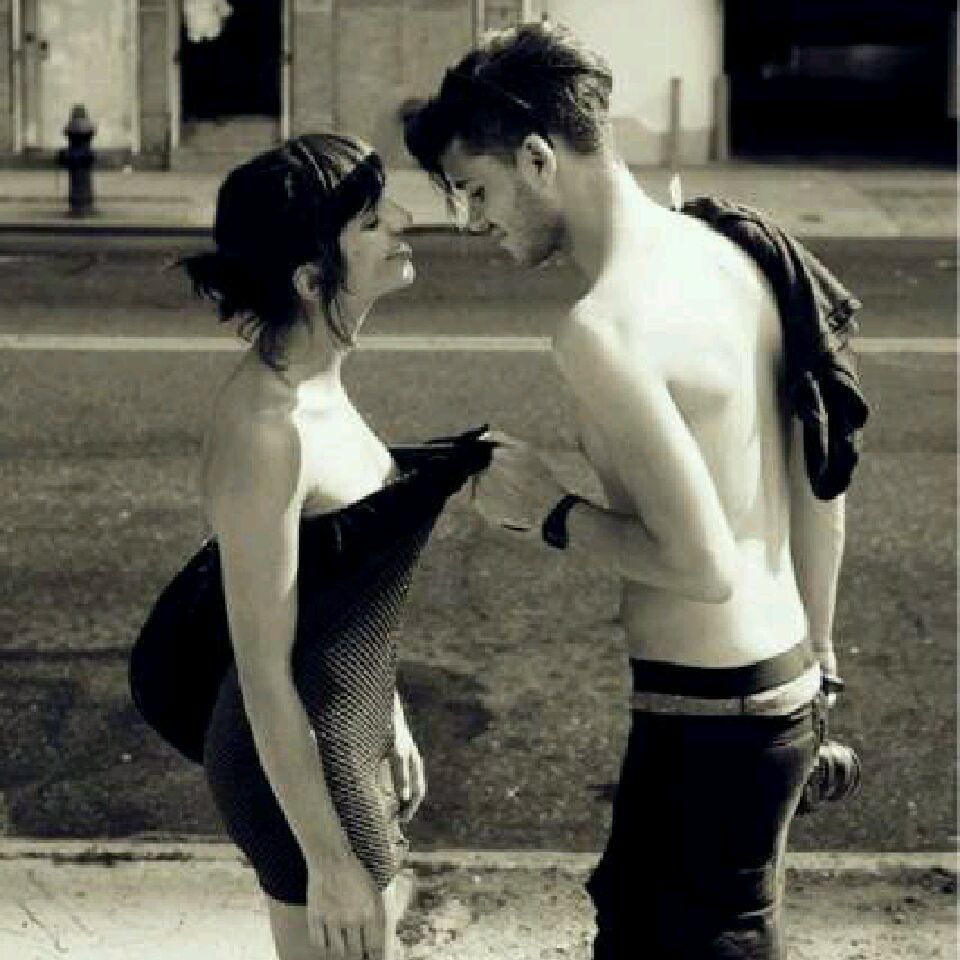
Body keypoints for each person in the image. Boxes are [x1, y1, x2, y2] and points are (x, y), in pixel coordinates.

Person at [404, 21, 862, 960]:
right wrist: (818, 656)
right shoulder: (733, 250)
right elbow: (821, 470)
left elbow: (700, 565)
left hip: (711, 720)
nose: (471, 223)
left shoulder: (603, 328)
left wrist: (547, 510)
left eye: (475, 189)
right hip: (777, 692)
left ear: (538, 158)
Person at [178, 133, 486, 960]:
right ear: (312, 281)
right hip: (296, 769)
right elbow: (263, 673)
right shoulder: (268, 430)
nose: (403, 223)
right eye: (371, 221)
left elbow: (336, 591)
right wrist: (329, 863)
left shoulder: (318, 382)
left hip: (347, 734)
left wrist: (388, 713)